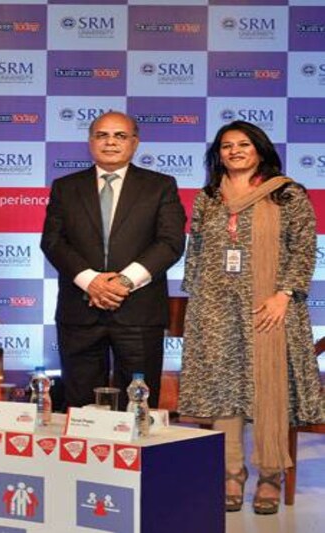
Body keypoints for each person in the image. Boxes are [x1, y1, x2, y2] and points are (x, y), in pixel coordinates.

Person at [178, 121, 325, 515]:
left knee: (267, 387)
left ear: (260, 150)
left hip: (269, 307)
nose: (235, 151)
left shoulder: (287, 194)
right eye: (227, 146)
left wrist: (284, 295)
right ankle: (232, 472)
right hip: (216, 309)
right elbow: (197, 250)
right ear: (218, 153)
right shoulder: (208, 196)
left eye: (243, 144)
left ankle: (271, 475)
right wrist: (198, 300)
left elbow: (304, 250)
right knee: (224, 391)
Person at [41, 111, 186, 410]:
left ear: (135, 143)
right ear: (90, 141)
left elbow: (170, 243)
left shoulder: (160, 186)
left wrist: (122, 282)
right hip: (80, 309)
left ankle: (138, 458)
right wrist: (91, 281)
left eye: (120, 136)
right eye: (102, 135)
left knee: (137, 405)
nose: (110, 142)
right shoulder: (66, 187)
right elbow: (53, 242)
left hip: (138, 311)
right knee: (80, 405)